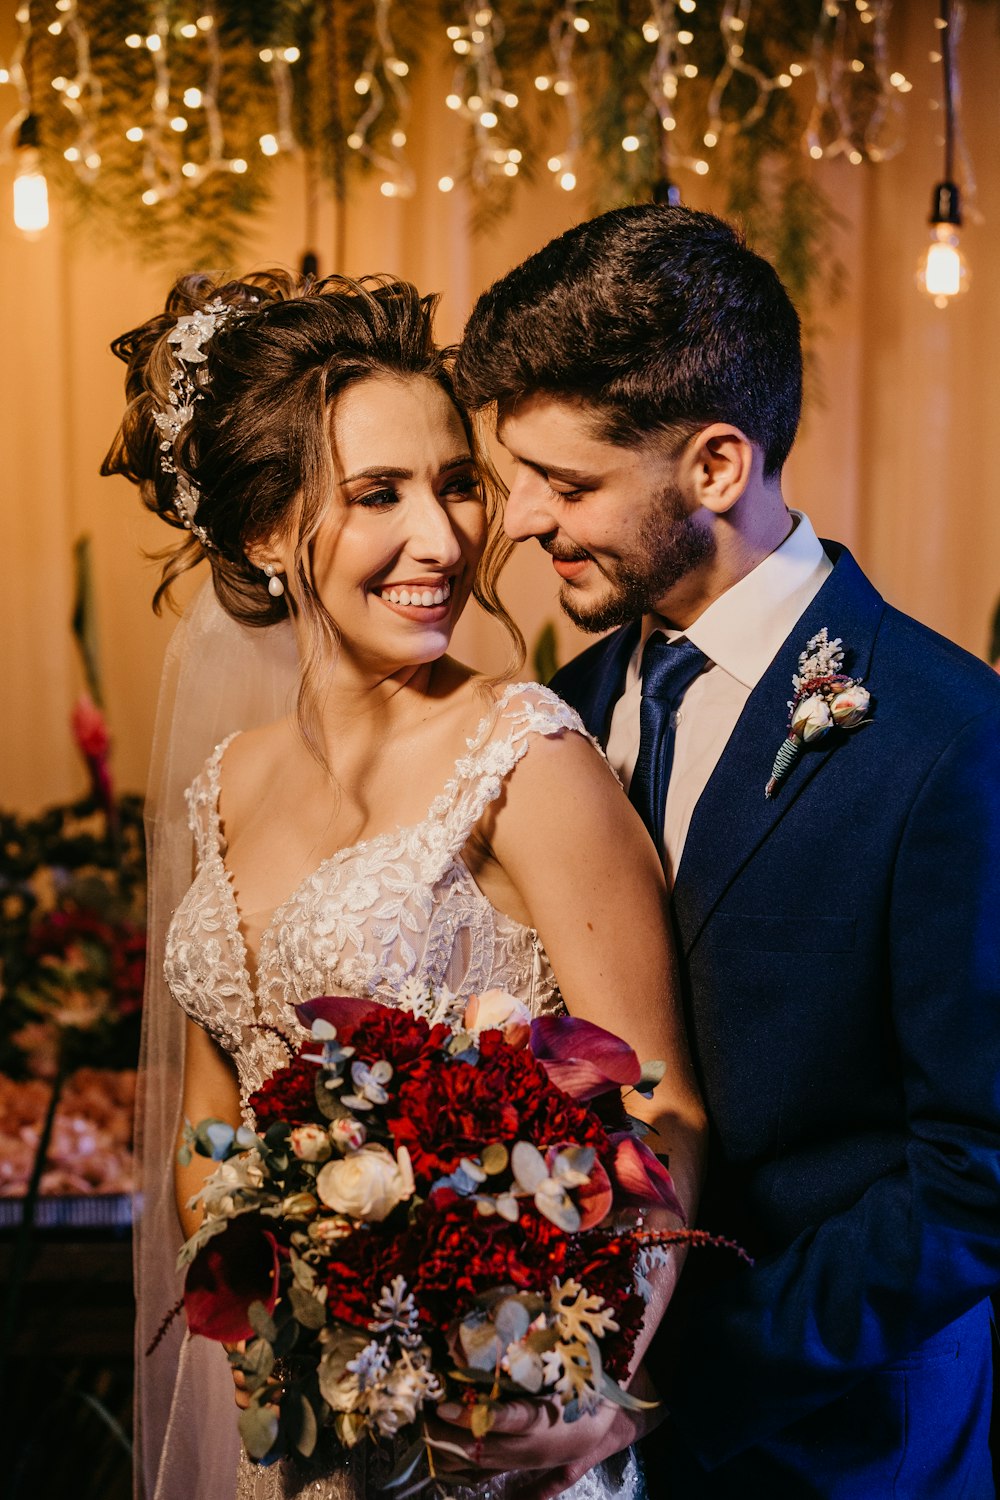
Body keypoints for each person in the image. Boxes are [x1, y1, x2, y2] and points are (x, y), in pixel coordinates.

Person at [102, 271, 706, 1500]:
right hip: (310, 1435)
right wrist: (277, 1328)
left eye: (455, 483)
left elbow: (664, 1113)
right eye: (379, 494)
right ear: (266, 529)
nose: (443, 537)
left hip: (499, 1431)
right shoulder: (222, 786)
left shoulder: (526, 758)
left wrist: (581, 1392)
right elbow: (206, 1136)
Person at [454, 204, 1000, 1499]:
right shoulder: (559, 707)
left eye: (567, 482)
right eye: (517, 471)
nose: (518, 517)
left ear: (713, 465)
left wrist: (661, 1372)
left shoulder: (948, 733)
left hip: (842, 1446)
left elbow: (975, 1176)